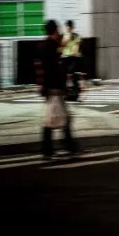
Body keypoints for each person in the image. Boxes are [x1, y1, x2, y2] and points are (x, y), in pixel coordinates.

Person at [38, 19, 81, 159]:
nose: (59, 31)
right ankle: (58, 149)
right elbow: (54, 69)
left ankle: (61, 148)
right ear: (54, 30)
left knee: (58, 119)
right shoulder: (50, 47)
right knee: (55, 120)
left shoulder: (47, 46)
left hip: (52, 89)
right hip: (54, 89)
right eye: (58, 29)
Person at [60, 19, 82, 99]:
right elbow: (62, 46)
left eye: (69, 26)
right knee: (65, 77)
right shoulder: (65, 35)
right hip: (66, 58)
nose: (68, 28)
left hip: (72, 58)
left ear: (72, 27)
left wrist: (73, 53)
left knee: (74, 76)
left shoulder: (75, 36)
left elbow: (76, 47)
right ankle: (67, 93)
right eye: (67, 26)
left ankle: (75, 93)